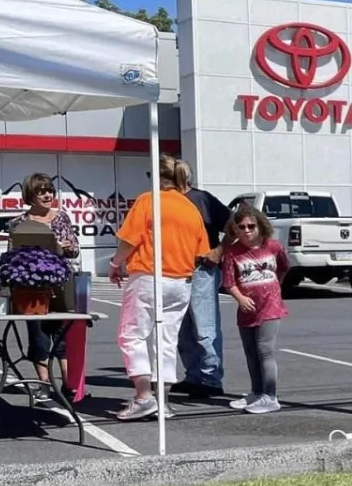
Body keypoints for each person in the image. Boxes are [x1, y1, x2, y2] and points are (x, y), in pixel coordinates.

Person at [108, 155, 210, 421]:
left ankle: (144, 397)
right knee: (166, 341)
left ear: (156, 177)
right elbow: (201, 250)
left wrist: (115, 263)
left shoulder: (148, 201)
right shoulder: (190, 208)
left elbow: (129, 240)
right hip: (181, 280)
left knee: (132, 335)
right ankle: (162, 401)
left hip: (149, 275)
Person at [6, 173, 80, 408]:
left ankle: (69, 384)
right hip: (31, 286)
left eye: (50, 190)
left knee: (61, 334)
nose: (48, 195)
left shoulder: (61, 218)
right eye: (41, 191)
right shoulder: (18, 222)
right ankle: (44, 384)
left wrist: (62, 248)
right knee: (38, 336)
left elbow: (74, 249)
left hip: (61, 283)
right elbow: (13, 253)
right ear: (31, 195)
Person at [220, 203, 289, 414]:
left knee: (265, 350)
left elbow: (284, 267)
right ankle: (257, 392)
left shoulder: (273, 247)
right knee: (251, 353)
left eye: (251, 226)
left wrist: (274, 288)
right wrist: (240, 298)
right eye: (241, 227)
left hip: (270, 307)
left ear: (260, 226)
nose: (247, 231)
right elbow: (229, 282)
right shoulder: (232, 253)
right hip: (247, 309)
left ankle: (270, 396)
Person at [173, 169, 233, 399]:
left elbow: (234, 225)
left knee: (204, 326)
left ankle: (211, 378)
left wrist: (219, 250)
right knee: (182, 328)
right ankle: (194, 376)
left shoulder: (202, 199)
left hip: (201, 269)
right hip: (174, 269)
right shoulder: (163, 200)